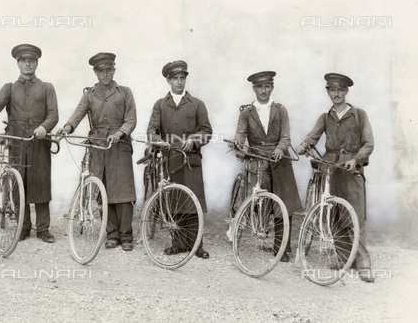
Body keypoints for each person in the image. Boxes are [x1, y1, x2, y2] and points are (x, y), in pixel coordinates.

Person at [0, 44, 59, 243]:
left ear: (37, 63)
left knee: (41, 183)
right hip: (17, 142)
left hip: (39, 142)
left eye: (32, 61)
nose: (28, 64)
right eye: (24, 60)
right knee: (18, 183)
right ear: (18, 64)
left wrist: (44, 128)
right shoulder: (9, 88)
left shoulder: (47, 87)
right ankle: (23, 226)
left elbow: (53, 115)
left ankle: (43, 228)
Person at [295, 72, 375, 282]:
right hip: (329, 168)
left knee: (354, 214)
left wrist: (356, 159)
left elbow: (368, 143)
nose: (336, 94)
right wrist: (304, 145)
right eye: (332, 90)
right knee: (335, 213)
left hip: (351, 169)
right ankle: (343, 257)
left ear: (346, 91)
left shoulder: (359, 115)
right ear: (328, 92)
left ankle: (363, 262)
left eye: (340, 90)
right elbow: (313, 136)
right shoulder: (325, 117)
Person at [58, 52, 137, 252]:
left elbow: (131, 120)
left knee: (124, 192)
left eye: (108, 70)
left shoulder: (125, 92)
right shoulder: (89, 95)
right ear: (95, 72)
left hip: (119, 147)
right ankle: (111, 234)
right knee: (104, 190)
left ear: (114, 70)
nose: (105, 74)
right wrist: (67, 128)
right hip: (98, 148)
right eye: (101, 71)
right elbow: (78, 113)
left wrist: (120, 134)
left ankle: (126, 235)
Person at [228, 71, 302, 262]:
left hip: (279, 161)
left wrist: (280, 148)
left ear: (272, 88)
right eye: (259, 87)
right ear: (254, 89)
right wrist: (237, 142)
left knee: (283, 203)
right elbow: (240, 134)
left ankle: (282, 248)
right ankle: (254, 228)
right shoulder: (246, 112)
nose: (263, 90)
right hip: (257, 159)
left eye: (267, 86)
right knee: (258, 200)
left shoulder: (280, 110)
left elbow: (286, 136)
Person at [146, 60, 213, 259]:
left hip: (190, 161)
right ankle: (177, 244)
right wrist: (158, 141)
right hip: (170, 160)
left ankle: (196, 245)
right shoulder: (160, 105)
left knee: (193, 203)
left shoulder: (197, 104)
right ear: (168, 80)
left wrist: (193, 141)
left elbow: (207, 132)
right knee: (174, 202)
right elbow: (152, 130)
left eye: (182, 78)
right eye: (175, 78)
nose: (179, 82)